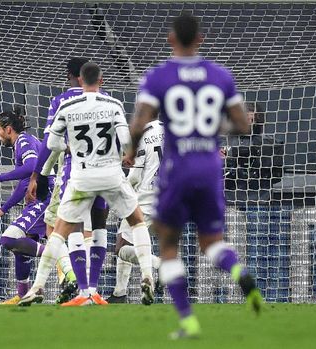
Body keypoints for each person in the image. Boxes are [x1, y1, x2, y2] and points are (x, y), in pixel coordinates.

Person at [124, 13, 263, 339]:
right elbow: (244, 126)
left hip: (178, 167)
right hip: (211, 167)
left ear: (171, 39)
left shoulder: (158, 76)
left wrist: (129, 152)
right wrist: (214, 126)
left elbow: (139, 122)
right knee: (212, 242)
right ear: (200, 39)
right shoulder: (220, 76)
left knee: (169, 245)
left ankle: (188, 322)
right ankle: (239, 271)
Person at [19, 62, 155, 307]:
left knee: (60, 231)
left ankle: (39, 286)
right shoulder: (113, 104)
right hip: (111, 174)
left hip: (79, 175)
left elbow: (51, 144)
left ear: (80, 80)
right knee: (135, 222)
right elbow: (125, 141)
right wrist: (127, 155)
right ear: (101, 80)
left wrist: (44, 171)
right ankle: (146, 274)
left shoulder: (65, 104)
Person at [25, 57, 110, 304]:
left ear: (70, 75)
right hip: (106, 172)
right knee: (97, 227)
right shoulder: (106, 99)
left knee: (61, 228)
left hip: (73, 174)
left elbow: (50, 145)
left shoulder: (61, 101)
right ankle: (92, 289)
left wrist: (38, 175)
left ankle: (72, 285)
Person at [0, 107, 55, 305]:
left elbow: (31, 166)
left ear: (8, 129)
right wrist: (4, 209)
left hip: (45, 198)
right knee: (21, 247)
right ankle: (23, 295)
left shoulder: (23, 141)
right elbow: (25, 181)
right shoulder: (25, 142)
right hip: (42, 197)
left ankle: (59, 256)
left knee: (8, 239)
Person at [108, 119, 163, 303]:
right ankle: (119, 292)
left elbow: (134, 176)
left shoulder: (142, 134)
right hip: (170, 199)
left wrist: (122, 189)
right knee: (132, 239)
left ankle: (159, 264)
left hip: (145, 200)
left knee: (121, 246)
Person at [221, 101, 284, 203]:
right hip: (230, 199)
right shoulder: (223, 144)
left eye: (252, 120)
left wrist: (258, 167)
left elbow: (276, 176)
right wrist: (231, 165)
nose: (248, 123)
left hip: (260, 199)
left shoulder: (271, 144)